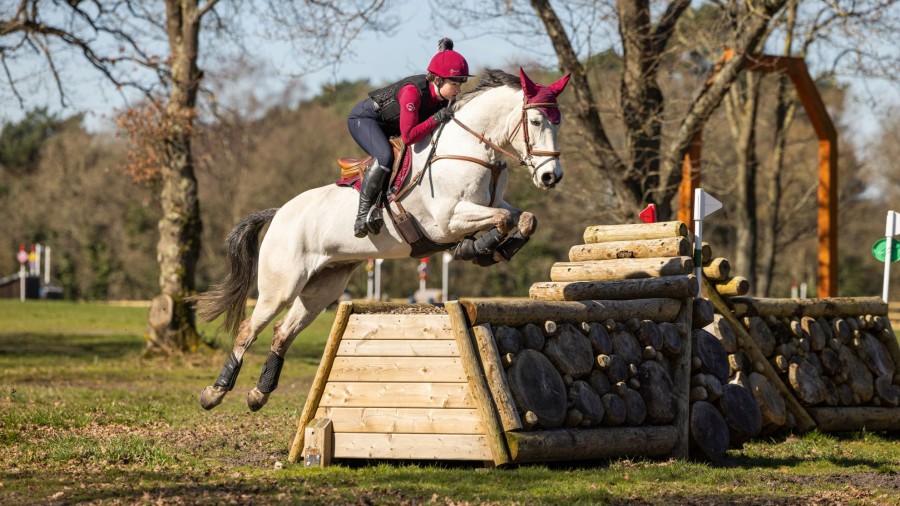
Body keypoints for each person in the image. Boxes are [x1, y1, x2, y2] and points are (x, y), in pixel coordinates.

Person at [347, 38, 472, 238]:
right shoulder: (412, 93)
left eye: (461, 83)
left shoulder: (444, 97)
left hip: (390, 125)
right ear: (437, 80)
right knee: (385, 157)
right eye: (454, 83)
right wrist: (436, 118)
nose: (458, 89)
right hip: (365, 120)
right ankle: (362, 216)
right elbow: (409, 137)